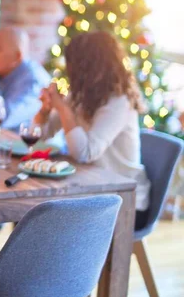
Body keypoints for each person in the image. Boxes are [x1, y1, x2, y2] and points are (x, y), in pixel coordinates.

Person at [34, 31, 151, 225]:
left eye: (73, 64)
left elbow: (85, 153)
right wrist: (45, 112)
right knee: (36, 212)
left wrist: (63, 108)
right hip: (90, 188)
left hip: (124, 202)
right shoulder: (81, 95)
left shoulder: (119, 101)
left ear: (88, 67)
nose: (69, 70)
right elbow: (40, 137)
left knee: (44, 217)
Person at [0, 27, 51, 258]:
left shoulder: (33, 81)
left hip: (39, 161)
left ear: (16, 57)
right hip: (9, 155)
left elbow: (3, 117)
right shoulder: (6, 73)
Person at [0, 27, 51, 132]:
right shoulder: (1, 71)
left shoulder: (33, 81)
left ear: (17, 56)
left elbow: (1, 119)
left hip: (34, 147)